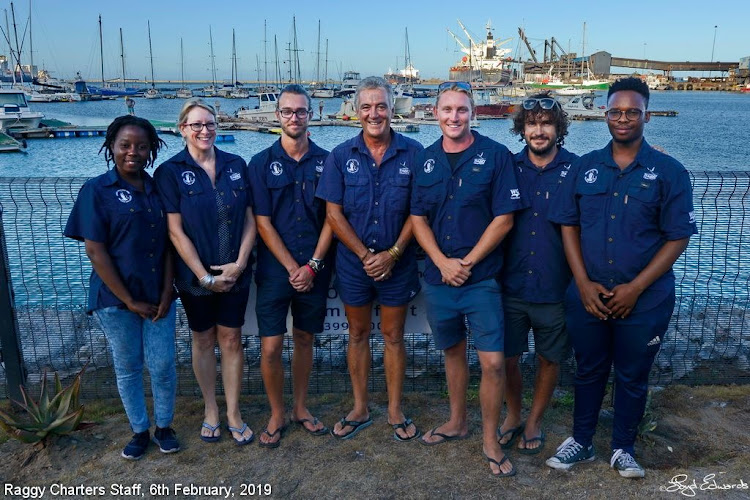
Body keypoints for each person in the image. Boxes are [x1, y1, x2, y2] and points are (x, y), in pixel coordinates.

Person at [546, 77, 697, 478]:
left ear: (646, 114)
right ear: (605, 114)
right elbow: (568, 226)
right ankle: (581, 440)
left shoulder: (669, 171)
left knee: (633, 375)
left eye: (633, 111)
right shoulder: (585, 167)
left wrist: (636, 288)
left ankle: (623, 447)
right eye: (616, 111)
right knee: (588, 369)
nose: (624, 118)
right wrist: (581, 283)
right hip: (588, 295)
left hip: (645, 300)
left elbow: (677, 236)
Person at [411, 82, 525, 477]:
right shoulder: (424, 161)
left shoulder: (496, 157)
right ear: (435, 113)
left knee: (493, 363)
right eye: (447, 110)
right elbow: (417, 219)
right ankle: (457, 421)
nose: (454, 117)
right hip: (438, 278)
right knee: (452, 353)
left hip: (482, 280)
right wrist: (442, 262)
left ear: (472, 113)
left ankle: (490, 438)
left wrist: (467, 263)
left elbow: (504, 218)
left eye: (462, 110)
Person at [64, 115, 178, 460]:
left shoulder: (160, 187)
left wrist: (166, 291)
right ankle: (140, 429)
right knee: (128, 366)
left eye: (142, 146)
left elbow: (171, 243)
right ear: (111, 147)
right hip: (115, 300)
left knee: (162, 364)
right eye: (125, 145)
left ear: (152, 150)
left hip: (159, 297)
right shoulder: (96, 190)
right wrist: (128, 300)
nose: (133, 152)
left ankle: (165, 426)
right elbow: (94, 251)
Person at [316, 76, 422, 441]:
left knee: (394, 336)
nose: (374, 113)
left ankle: (395, 410)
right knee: (357, 333)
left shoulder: (414, 153)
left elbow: (418, 211)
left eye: (381, 106)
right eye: (366, 106)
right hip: (354, 265)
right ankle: (360, 407)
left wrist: (392, 254)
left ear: (392, 109)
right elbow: (333, 215)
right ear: (356, 110)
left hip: (399, 262)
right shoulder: (340, 156)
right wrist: (366, 256)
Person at [154, 98, 257, 446]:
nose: (204, 130)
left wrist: (239, 265)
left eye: (210, 123)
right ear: (182, 129)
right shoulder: (169, 172)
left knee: (231, 340)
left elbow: (250, 220)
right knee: (202, 339)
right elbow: (175, 231)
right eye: (196, 124)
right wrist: (204, 277)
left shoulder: (236, 164)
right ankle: (210, 409)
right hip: (195, 277)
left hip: (235, 272)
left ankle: (233, 412)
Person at [247, 85, 333, 448]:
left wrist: (312, 265)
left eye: (300, 111)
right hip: (273, 272)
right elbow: (262, 222)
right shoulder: (261, 163)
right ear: (277, 115)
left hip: (315, 269)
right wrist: (292, 268)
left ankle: (300, 408)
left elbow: (333, 217)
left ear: (310, 115)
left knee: (304, 339)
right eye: (287, 112)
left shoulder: (328, 161)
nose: (294, 117)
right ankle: (277, 413)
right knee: (270, 347)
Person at [497, 93, 577, 454]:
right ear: (522, 128)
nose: (539, 130)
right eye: (532, 124)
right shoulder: (507, 168)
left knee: (550, 358)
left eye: (546, 123)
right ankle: (513, 414)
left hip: (556, 286)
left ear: (558, 129)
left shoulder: (577, 169)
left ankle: (535, 421)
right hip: (511, 285)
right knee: (508, 358)